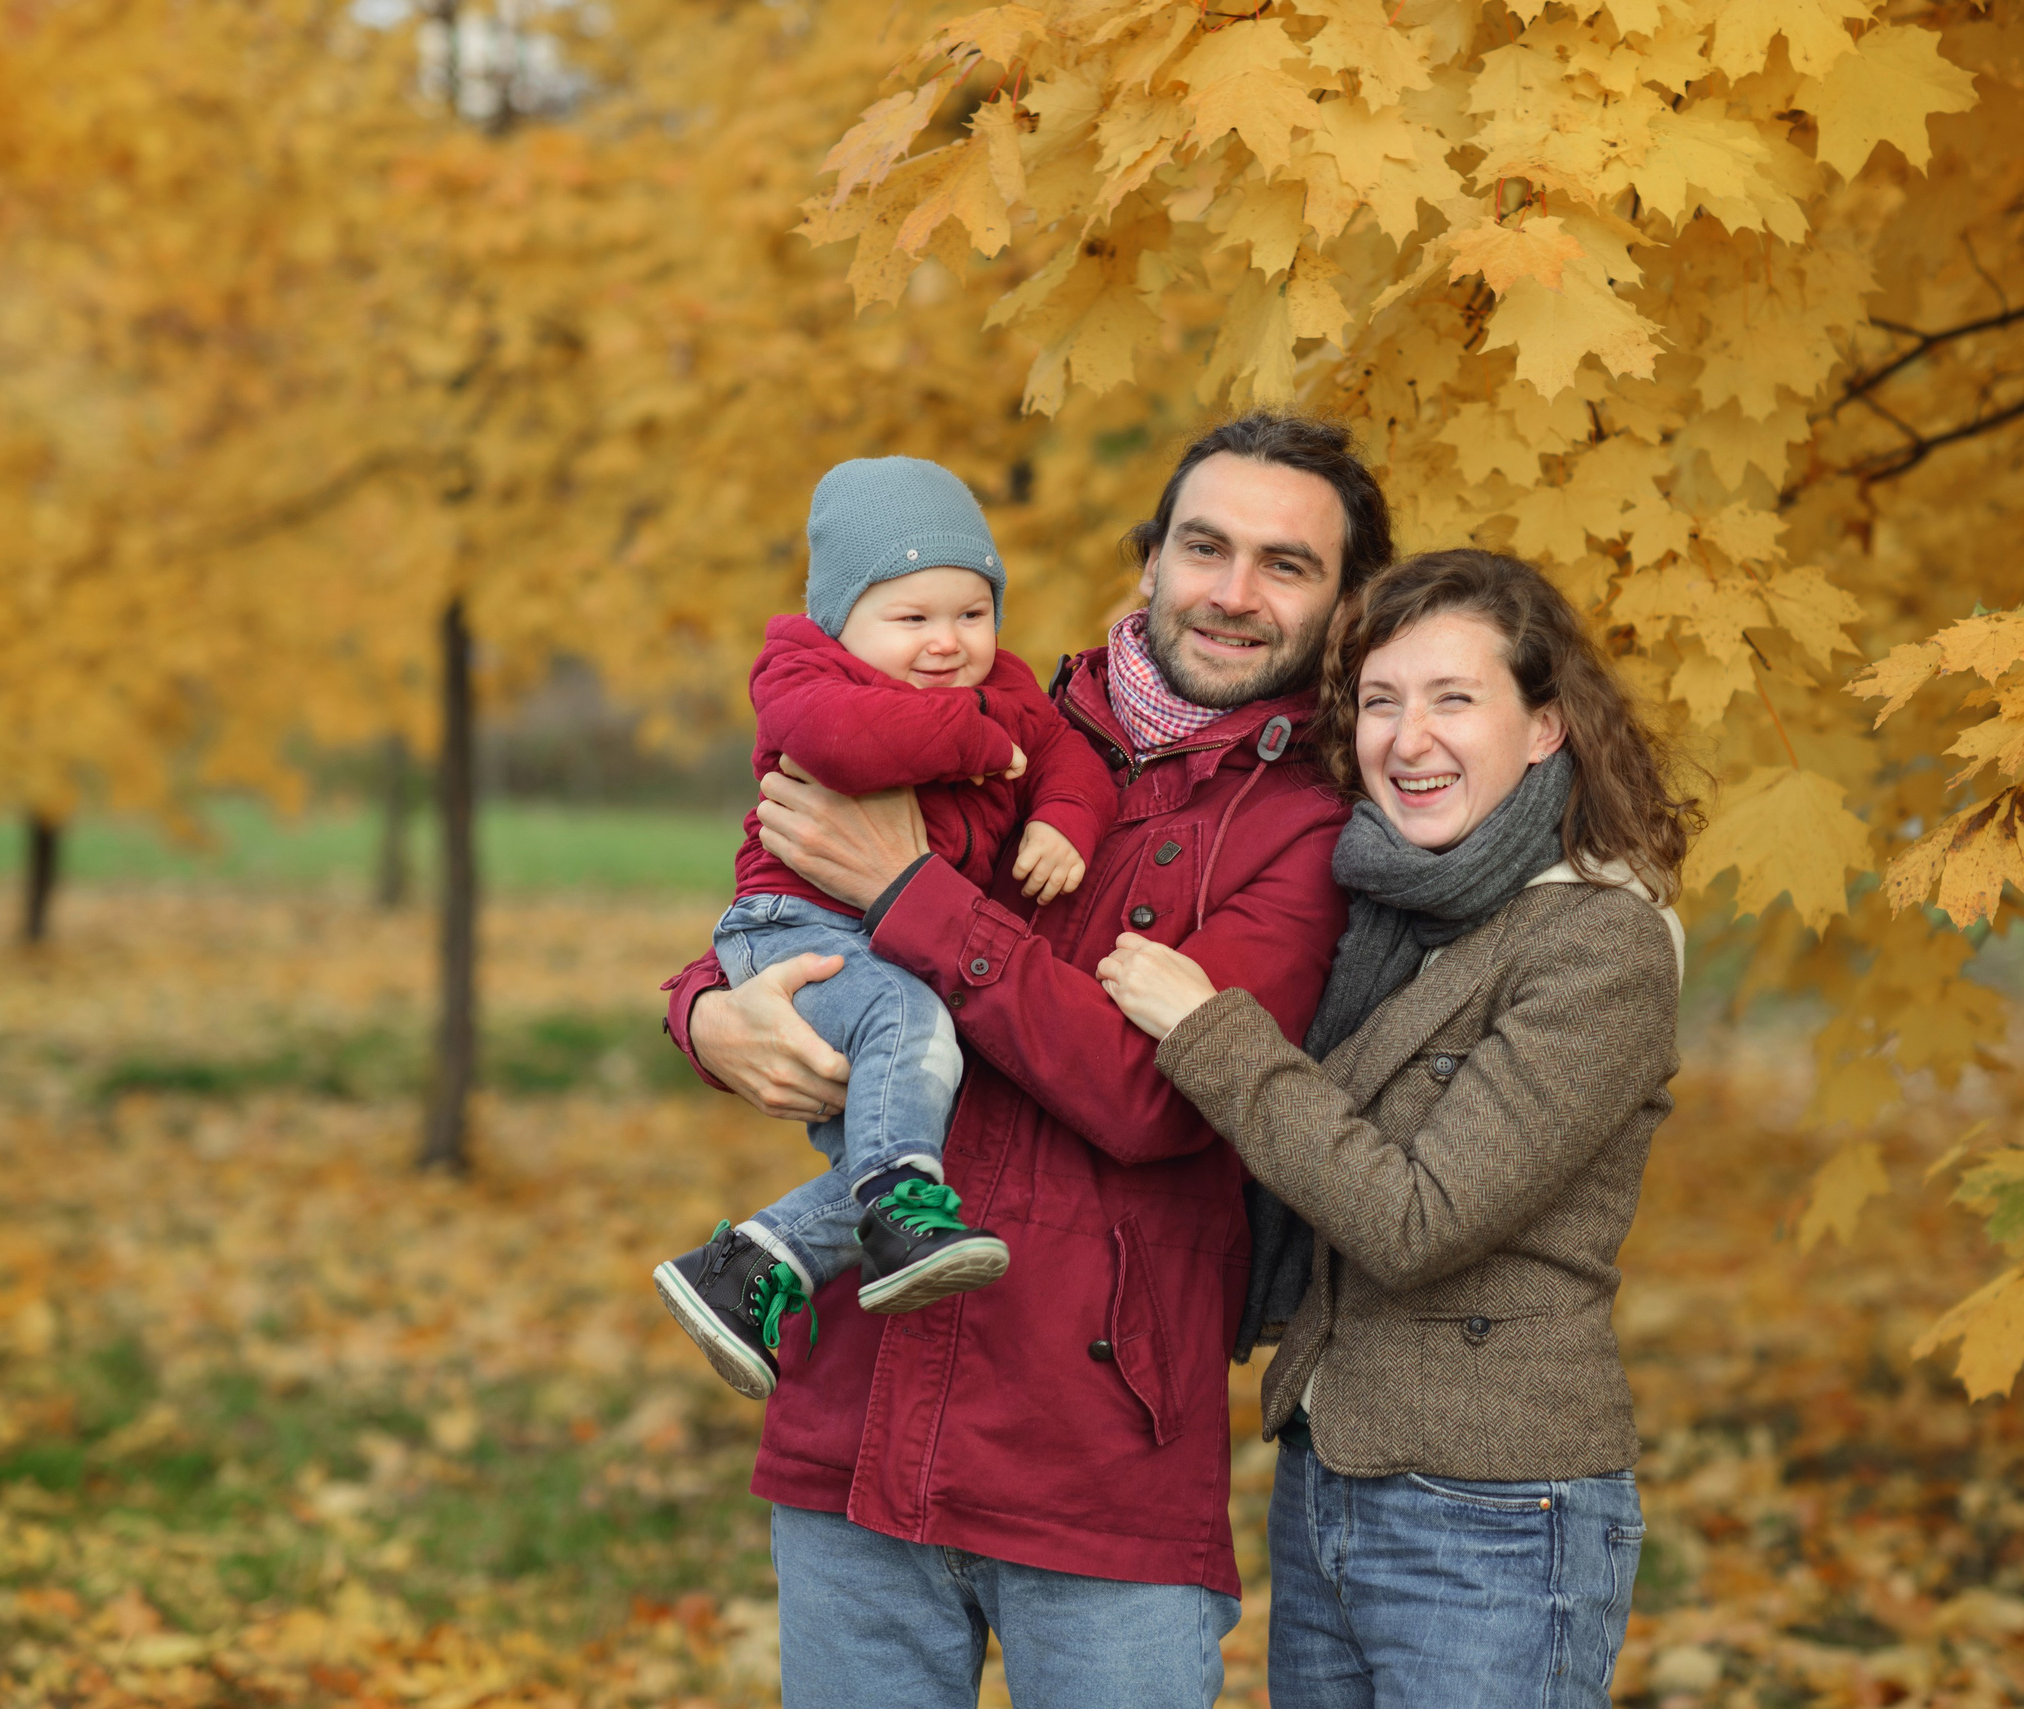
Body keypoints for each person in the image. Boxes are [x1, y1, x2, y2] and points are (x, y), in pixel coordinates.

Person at [658, 414, 1397, 1708]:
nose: (1231, 591)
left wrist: (905, 889)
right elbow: (782, 890)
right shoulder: (978, 707)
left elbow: (1149, 1094)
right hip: (859, 1417)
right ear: (1148, 558)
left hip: (1097, 1461)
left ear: (1342, 607)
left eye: (1286, 565)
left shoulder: (1308, 829)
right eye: (1204, 546)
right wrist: (705, 1016)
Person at [1097, 548, 1695, 1709]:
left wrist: (1208, 1031)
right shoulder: (1392, 907)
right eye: (1380, 700)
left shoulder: (1597, 942)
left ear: (1544, 728)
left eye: (1452, 698)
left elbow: (1417, 1217)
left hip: (1494, 1509)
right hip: (1330, 1472)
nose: (1407, 738)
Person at [654, 457, 1118, 1403]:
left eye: (971, 614)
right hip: (793, 926)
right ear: (843, 619)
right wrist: (981, 737)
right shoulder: (802, 669)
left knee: (923, 1115)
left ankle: (751, 1269)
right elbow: (845, 745)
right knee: (915, 1032)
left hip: (890, 939)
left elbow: (1070, 754)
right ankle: (896, 1224)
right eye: (912, 619)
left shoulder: (1012, 688)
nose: (948, 643)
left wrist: (1062, 815)